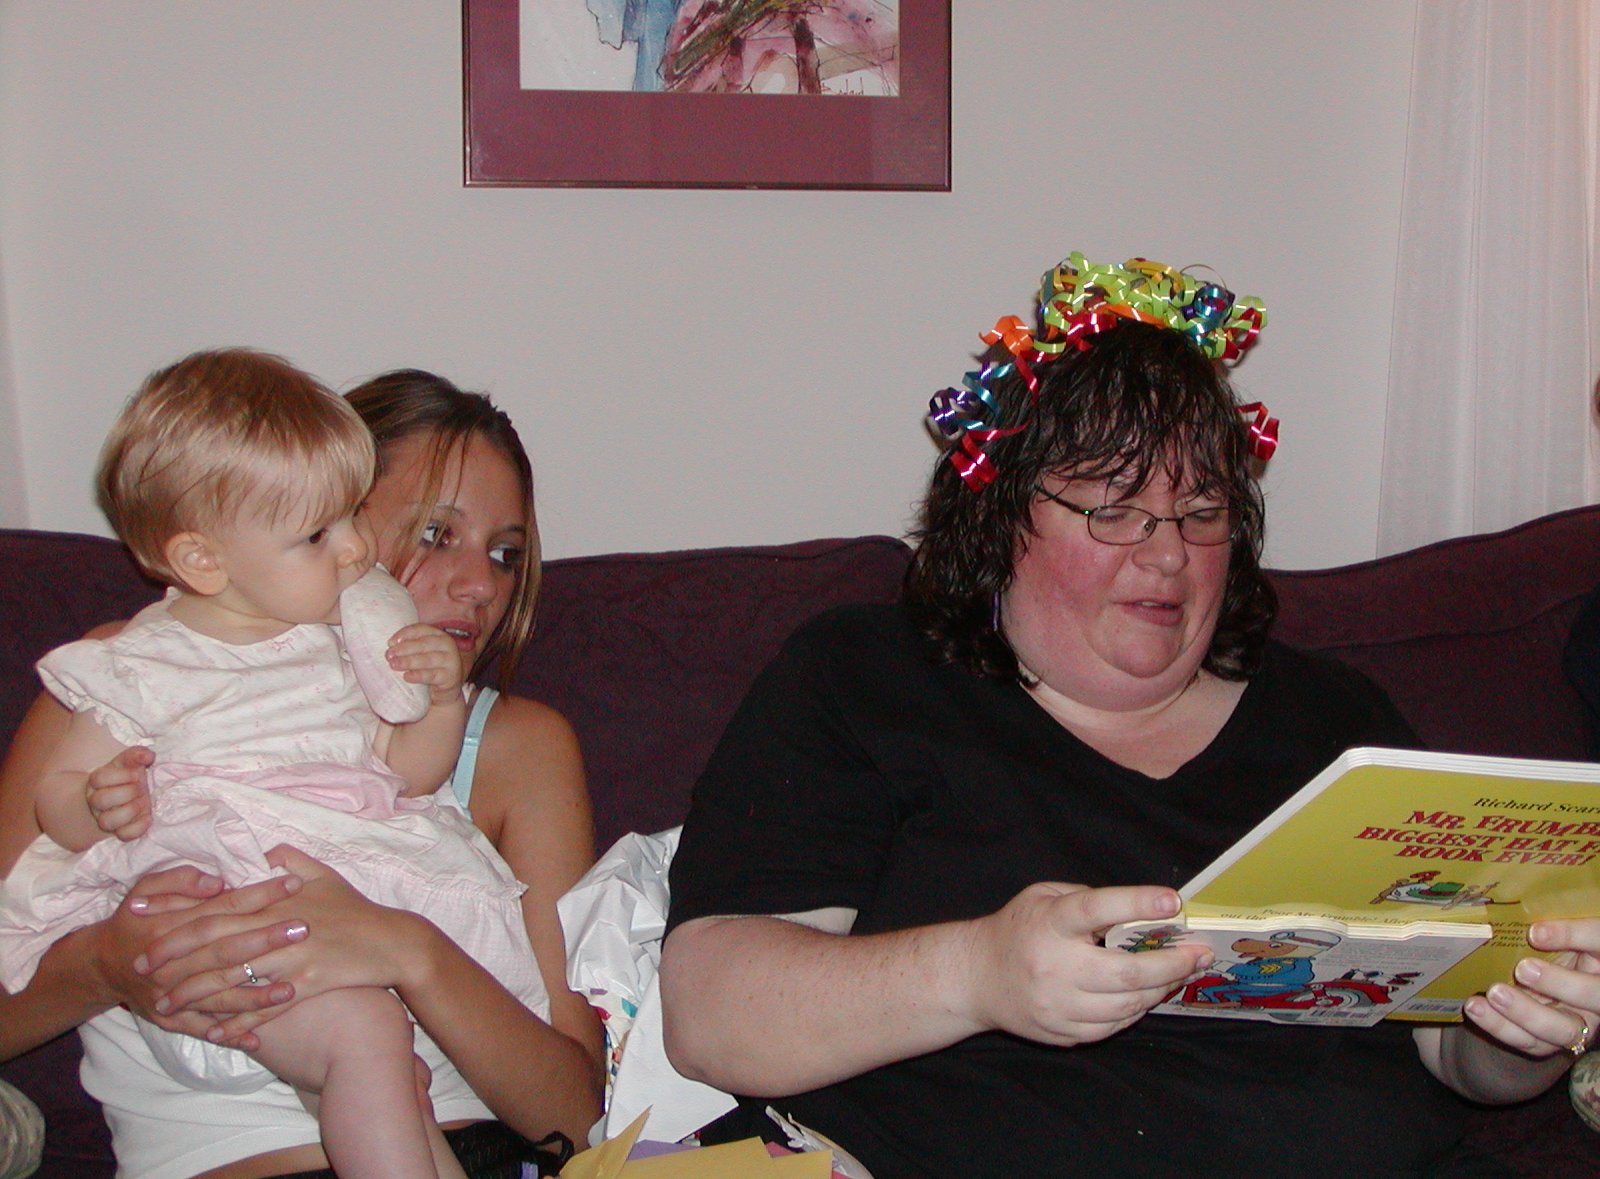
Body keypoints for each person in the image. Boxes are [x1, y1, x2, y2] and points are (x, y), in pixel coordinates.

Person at [659, 254, 1600, 1179]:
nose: (1168, 554)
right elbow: (710, 1016)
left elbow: (1457, 1057)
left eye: (1202, 510)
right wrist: (978, 974)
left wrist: (1528, 1027)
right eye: (1114, 508)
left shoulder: (1338, 721)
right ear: (1001, 515)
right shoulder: (869, 680)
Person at [0, 365, 602, 1178]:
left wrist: (409, 952)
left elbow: (580, 1115)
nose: (480, 586)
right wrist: (109, 965)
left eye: (505, 554)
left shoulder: (520, 744)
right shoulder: (125, 673)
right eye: (435, 534)